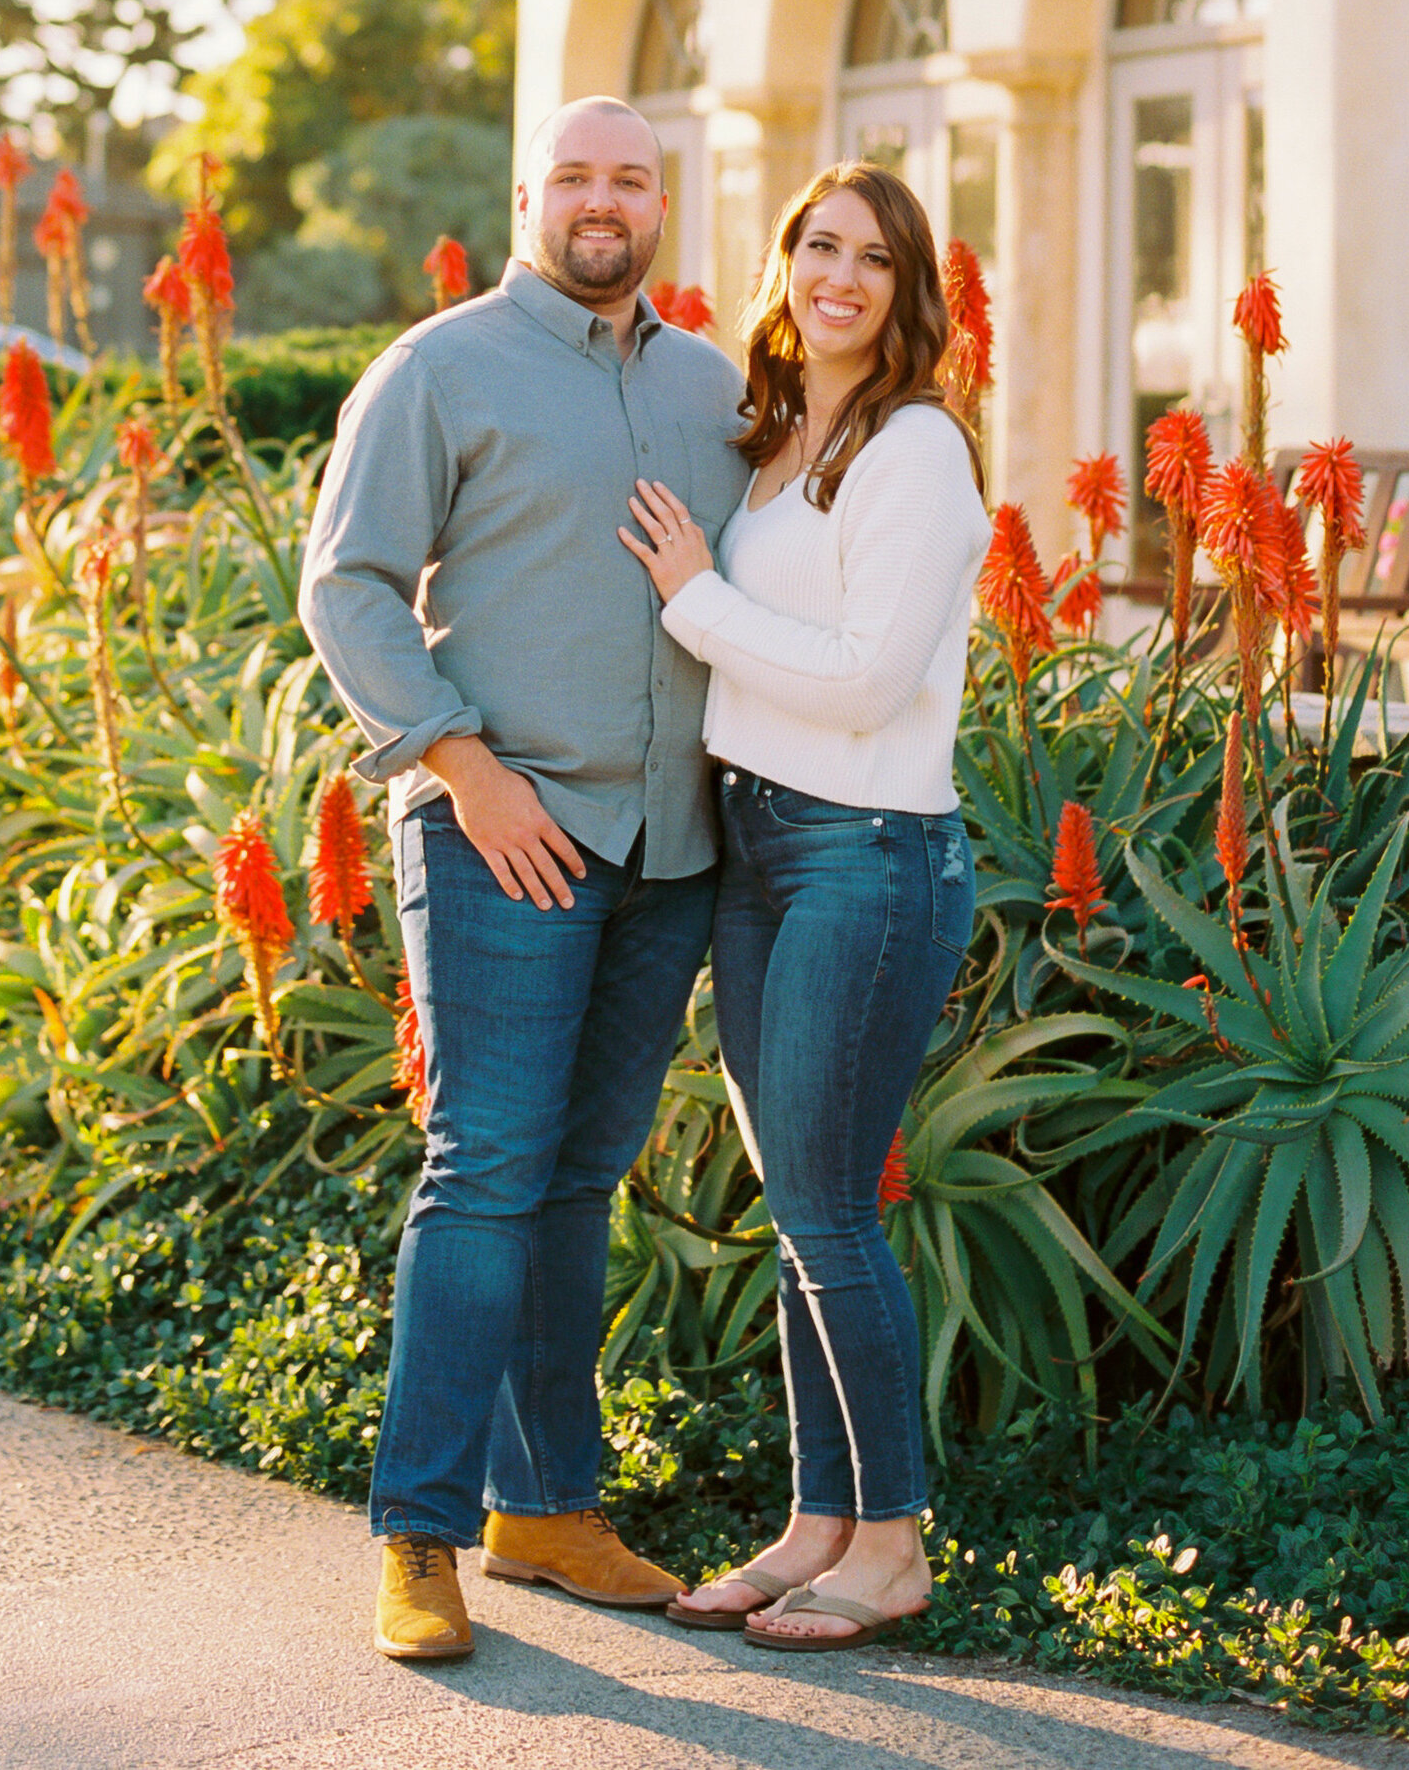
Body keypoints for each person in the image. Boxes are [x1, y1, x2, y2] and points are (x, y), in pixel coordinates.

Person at [299, 95, 750, 1666]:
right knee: (486, 1163)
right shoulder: (436, 368)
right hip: (504, 828)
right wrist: (461, 764)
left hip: (667, 849)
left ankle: (546, 1506)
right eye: (575, 174)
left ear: (662, 201)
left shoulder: (715, 383)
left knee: (578, 1175)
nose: (602, 200)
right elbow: (344, 582)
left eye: (630, 176)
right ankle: (417, 1533)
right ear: (526, 193)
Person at [618, 161, 986, 1652]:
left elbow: (867, 675)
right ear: (786, 266)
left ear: (907, 295)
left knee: (834, 1207)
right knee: (799, 1209)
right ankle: (815, 1524)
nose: (841, 275)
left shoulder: (914, 450)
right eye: (819, 246)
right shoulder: (778, 442)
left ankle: (890, 1544)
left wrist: (693, 598)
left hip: (868, 850)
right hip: (760, 846)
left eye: (875, 259)